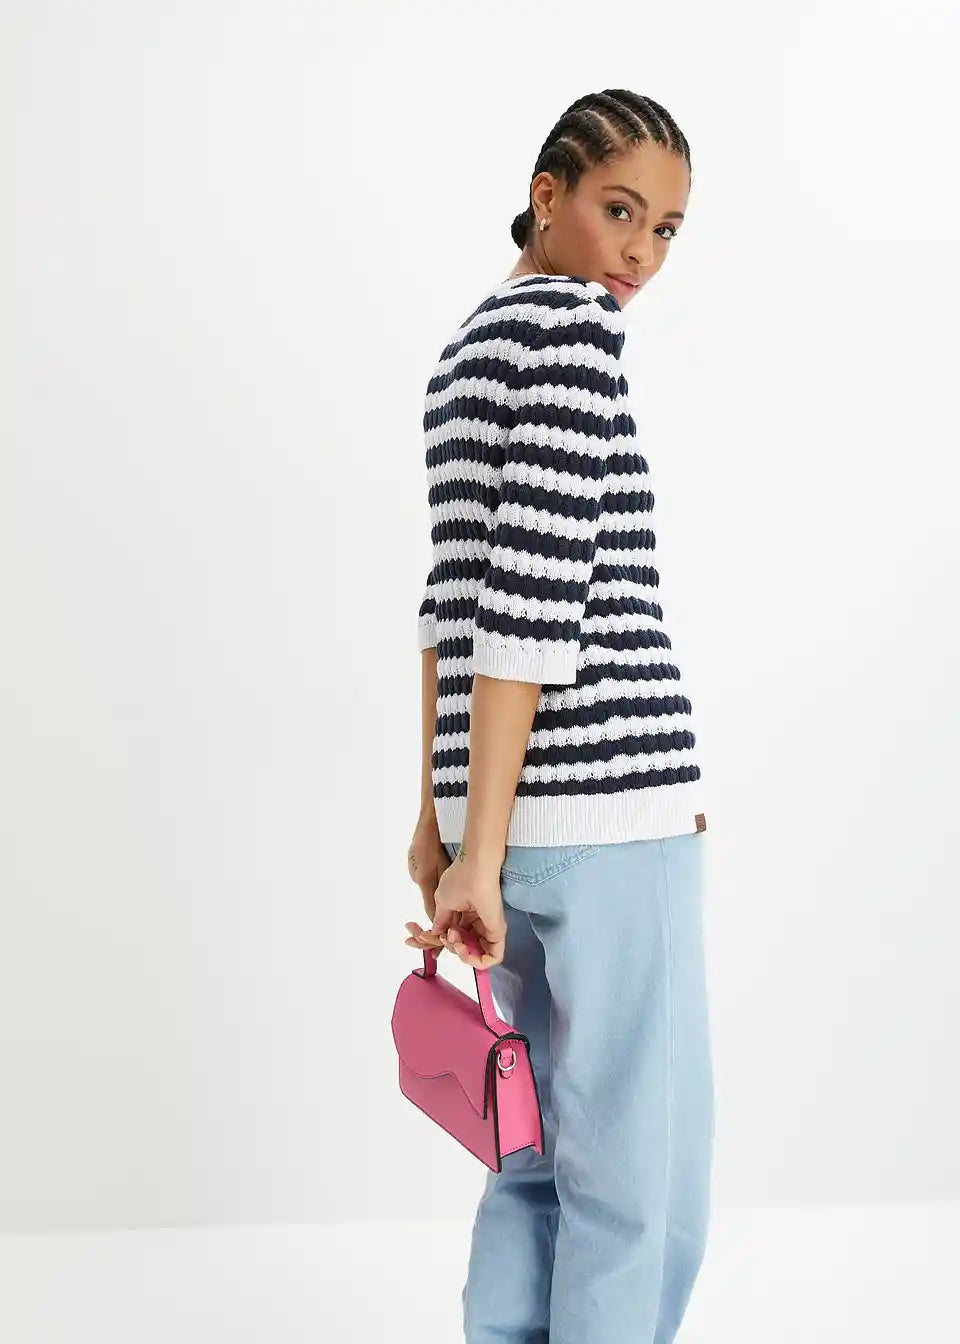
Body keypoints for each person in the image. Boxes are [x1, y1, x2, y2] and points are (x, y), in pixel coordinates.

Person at [404, 86, 714, 1344]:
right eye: (619, 211)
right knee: (640, 1175)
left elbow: (447, 604)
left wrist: (442, 827)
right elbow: (525, 608)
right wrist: (468, 848)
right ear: (549, 196)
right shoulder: (577, 334)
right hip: (606, 815)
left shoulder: (467, 348)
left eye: (666, 229)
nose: (640, 254)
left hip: (502, 823)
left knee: (528, 1151)